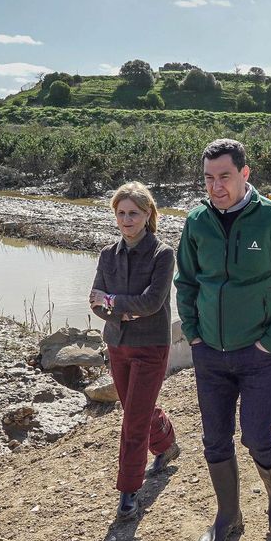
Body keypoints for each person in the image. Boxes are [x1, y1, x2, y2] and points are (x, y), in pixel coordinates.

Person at [174, 138, 271, 541]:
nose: (216, 186)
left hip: (257, 353)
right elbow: (187, 282)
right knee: (214, 439)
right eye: (209, 178)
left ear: (245, 174)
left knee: (257, 435)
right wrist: (193, 334)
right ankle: (228, 515)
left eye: (225, 176)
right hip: (209, 353)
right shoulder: (196, 222)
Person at [90, 181, 180, 519]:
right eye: (122, 213)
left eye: (134, 213)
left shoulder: (162, 254)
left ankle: (128, 490)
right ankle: (166, 442)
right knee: (134, 407)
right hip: (117, 344)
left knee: (132, 419)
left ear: (147, 215)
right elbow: (94, 302)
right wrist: (123, 310)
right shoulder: (107, 255)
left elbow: (153, 302)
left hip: (151, 346)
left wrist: (114, 303)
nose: (127, 220)